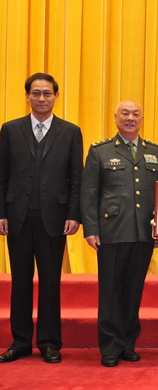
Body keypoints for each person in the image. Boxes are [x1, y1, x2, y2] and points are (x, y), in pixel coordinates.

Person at [0, 73, 83, 364]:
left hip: (55, 219)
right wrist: (1, 213)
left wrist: (74, 214)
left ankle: (49, 342)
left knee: (50, 282)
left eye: (47, 93)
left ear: (56, 97)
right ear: (27, 96)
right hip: (17, 218)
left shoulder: (70, 132)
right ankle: (20, 341)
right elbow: (2, 175)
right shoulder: (10, 130)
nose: (41, 98)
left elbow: (76, 178)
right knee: (20, 281)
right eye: (35, 93)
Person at [81, 100, 158, 367]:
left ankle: (128, 343)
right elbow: (89, 193)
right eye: (125, 114)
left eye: (136, 114)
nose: (130, 118)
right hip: (112, 232)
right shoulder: (100, 151)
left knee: (133, 290)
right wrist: (91, 229)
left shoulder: (156, 152)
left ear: (142, 119)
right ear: (115, 118)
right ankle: (110, 346)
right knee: (110, 291)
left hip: (143, 233)